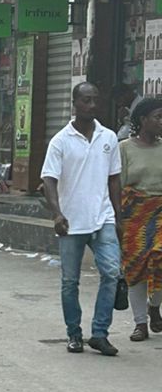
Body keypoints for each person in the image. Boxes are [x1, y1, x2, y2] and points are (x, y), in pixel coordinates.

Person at [41, 82, 123, 356]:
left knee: (111, 273)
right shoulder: (60, 141)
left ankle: (100, 333)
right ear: (74, 103)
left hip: (103, 218)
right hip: (71, 222)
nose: (91, 106)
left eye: (95, 101)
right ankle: (74, 333)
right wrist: (57, 213)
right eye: (86, 101)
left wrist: (118, 216)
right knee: (70, 281)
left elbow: (114, 179)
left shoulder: (109, 138)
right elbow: (48, 180)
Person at [118, 96, 162, 342]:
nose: (161, 121)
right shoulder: (124, 148)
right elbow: (117, 184)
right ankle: (140, 323)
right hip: (133, 215)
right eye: (157, 117)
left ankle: (154, 304)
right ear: (143, 120)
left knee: (160, 257)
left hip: (161, 212)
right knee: (136, 268)